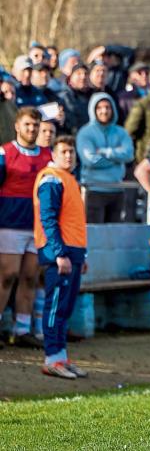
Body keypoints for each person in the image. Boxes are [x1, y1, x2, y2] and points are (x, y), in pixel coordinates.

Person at [33, 135, 88, 378]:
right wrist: (60, 253)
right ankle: (51, 359)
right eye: (64, 151)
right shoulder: (52, 179)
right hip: (60, 254)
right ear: (53, 154)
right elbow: (48, 219)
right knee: (55, 307)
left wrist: (80, 255)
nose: (68, 155)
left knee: (65, 308)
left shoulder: (69, 179)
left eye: (71, 152)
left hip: (71, 253)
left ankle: (61, 358)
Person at [0, 108, 51, 349]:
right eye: (28, 125)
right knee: (6, 277)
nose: (32, 129)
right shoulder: (5, 152)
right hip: (10, 224)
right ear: (17, 126)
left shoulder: (48, 156)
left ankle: (21, 330)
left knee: (30, 277)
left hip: (37, 226)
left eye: (35, 125)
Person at [76, 93, 134, 223]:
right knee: (95, 234)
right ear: (93, 109)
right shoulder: (85, 132)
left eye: (107, 107)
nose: (104, 111)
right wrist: (117, 160)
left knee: (114, 234)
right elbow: (90, 160)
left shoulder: (121, 132)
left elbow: (129, 154)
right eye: (100, 107)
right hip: (94, 189)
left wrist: (105, 152)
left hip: (116, 189)